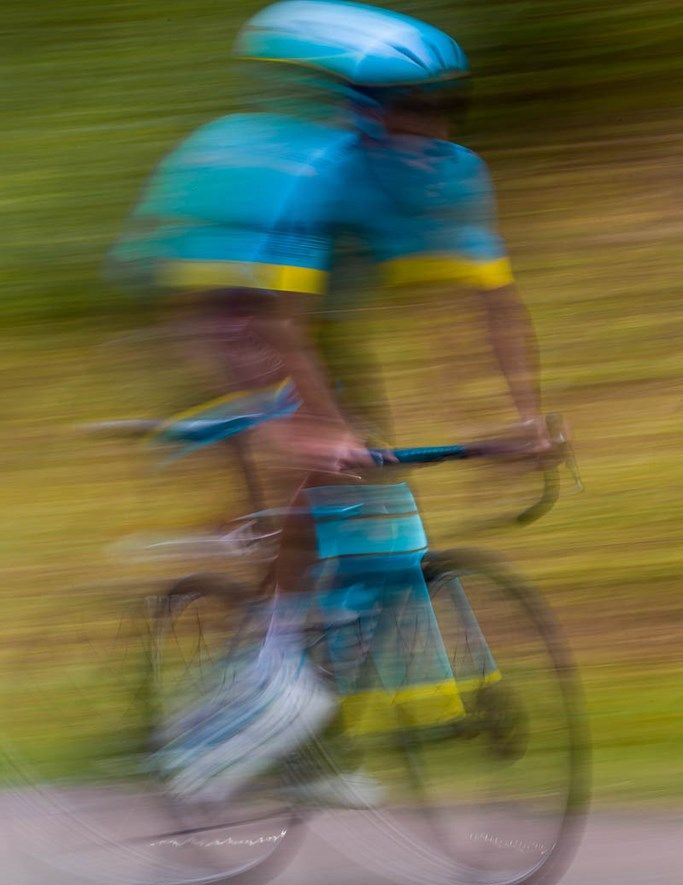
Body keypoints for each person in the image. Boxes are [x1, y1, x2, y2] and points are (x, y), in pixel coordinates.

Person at [111, 1, 550, 805]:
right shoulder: (321, 174)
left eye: (438, 105)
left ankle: (310, 710)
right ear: (364, 117)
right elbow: (278, 319)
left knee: (360, 464)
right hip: (220, 293)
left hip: (312, 313)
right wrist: (317, 428)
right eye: (404, 109)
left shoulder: (453, 176)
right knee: (319, 459)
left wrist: (522, 418)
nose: (426, 124)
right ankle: (268, 664)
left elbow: (486, 300)